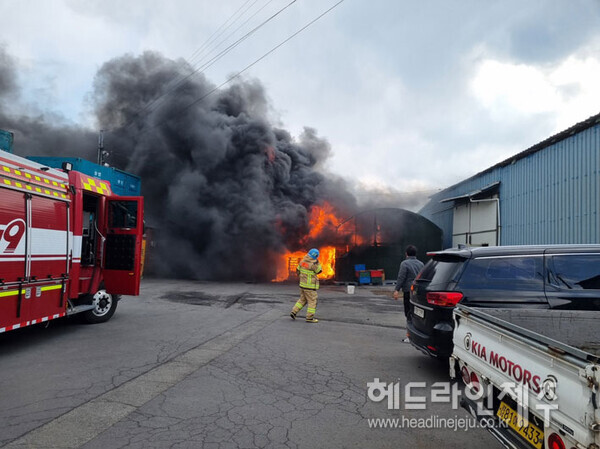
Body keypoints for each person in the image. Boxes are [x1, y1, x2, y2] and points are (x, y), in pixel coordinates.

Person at [290, 248, 323, 323]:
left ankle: (294, 312)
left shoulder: (302, 261)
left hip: (302, 285)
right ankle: (310, 317)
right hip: (310, 287)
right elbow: (319, 271)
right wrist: (318, 262)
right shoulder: (313, 264)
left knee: (302, 300)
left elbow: (297, 270)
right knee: (312, 301)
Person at [393, 245, 424, 319]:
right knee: (417, 311)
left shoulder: (404, 263)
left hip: (408, 291)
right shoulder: (421, 264)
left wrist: (396, 290)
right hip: (418, 291)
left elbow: (401, 277)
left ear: (406, 254)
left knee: (408, 311)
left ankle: (410, 326)